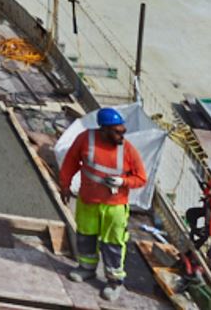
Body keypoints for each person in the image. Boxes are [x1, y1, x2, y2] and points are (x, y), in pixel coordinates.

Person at [60, 107, 148, 293]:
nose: (121, 136)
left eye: (123, 131)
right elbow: (71, 162)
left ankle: (114, 281)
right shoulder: (86, 139)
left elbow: (141, 178)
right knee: (86, 236)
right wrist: (65, 185)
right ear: (104, 129)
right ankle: (86, 268)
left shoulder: (128, 150)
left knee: (113, 244)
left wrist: (123, 181)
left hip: (114, 207)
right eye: (117, 132)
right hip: (88, 202)